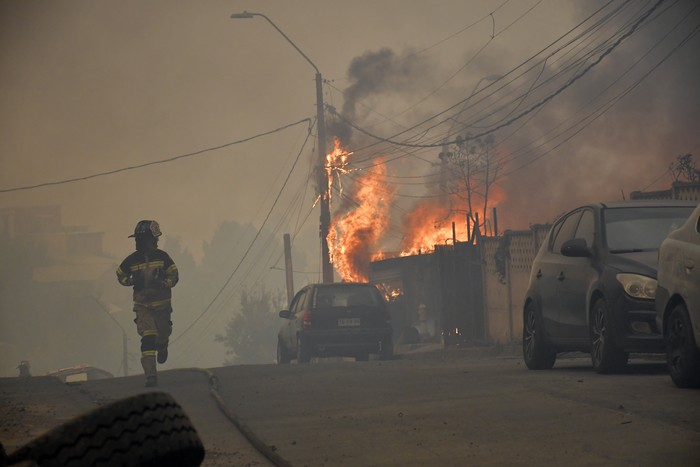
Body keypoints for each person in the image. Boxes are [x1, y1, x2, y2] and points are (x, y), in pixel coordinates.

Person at [116, 220, 179, 387]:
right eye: (138, 240)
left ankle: (163, 344)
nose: (155, 242)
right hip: (143, 308)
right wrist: (130, 281)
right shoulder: (131, 260)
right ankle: (151, 375)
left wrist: (165, 282)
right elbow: (120, 274)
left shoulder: (163, 257)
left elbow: (174, 275)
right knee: (147, 338)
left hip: (162, 307)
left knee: (163, 332)